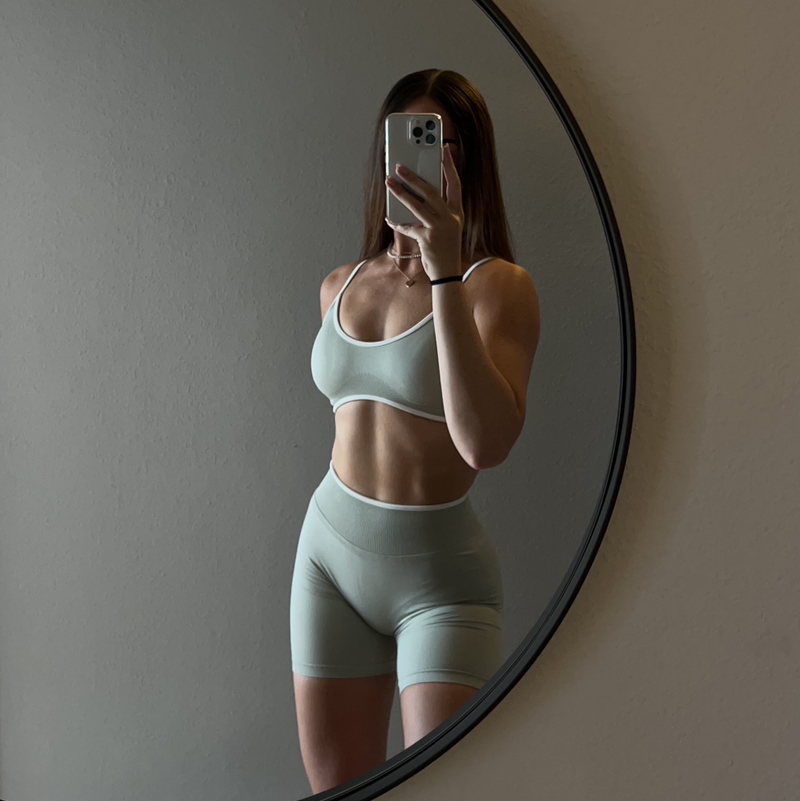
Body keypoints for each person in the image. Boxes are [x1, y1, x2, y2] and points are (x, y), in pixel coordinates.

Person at [290, 69, 540, 795]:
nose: (417, 163)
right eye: (403, 143)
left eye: (439, 144)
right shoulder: (340, 284)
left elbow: (484, 444)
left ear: (469, 162)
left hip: (441, 583)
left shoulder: (500, 287)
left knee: (442, 786)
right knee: (340, 793)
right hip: (328, 560)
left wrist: (444, 271)